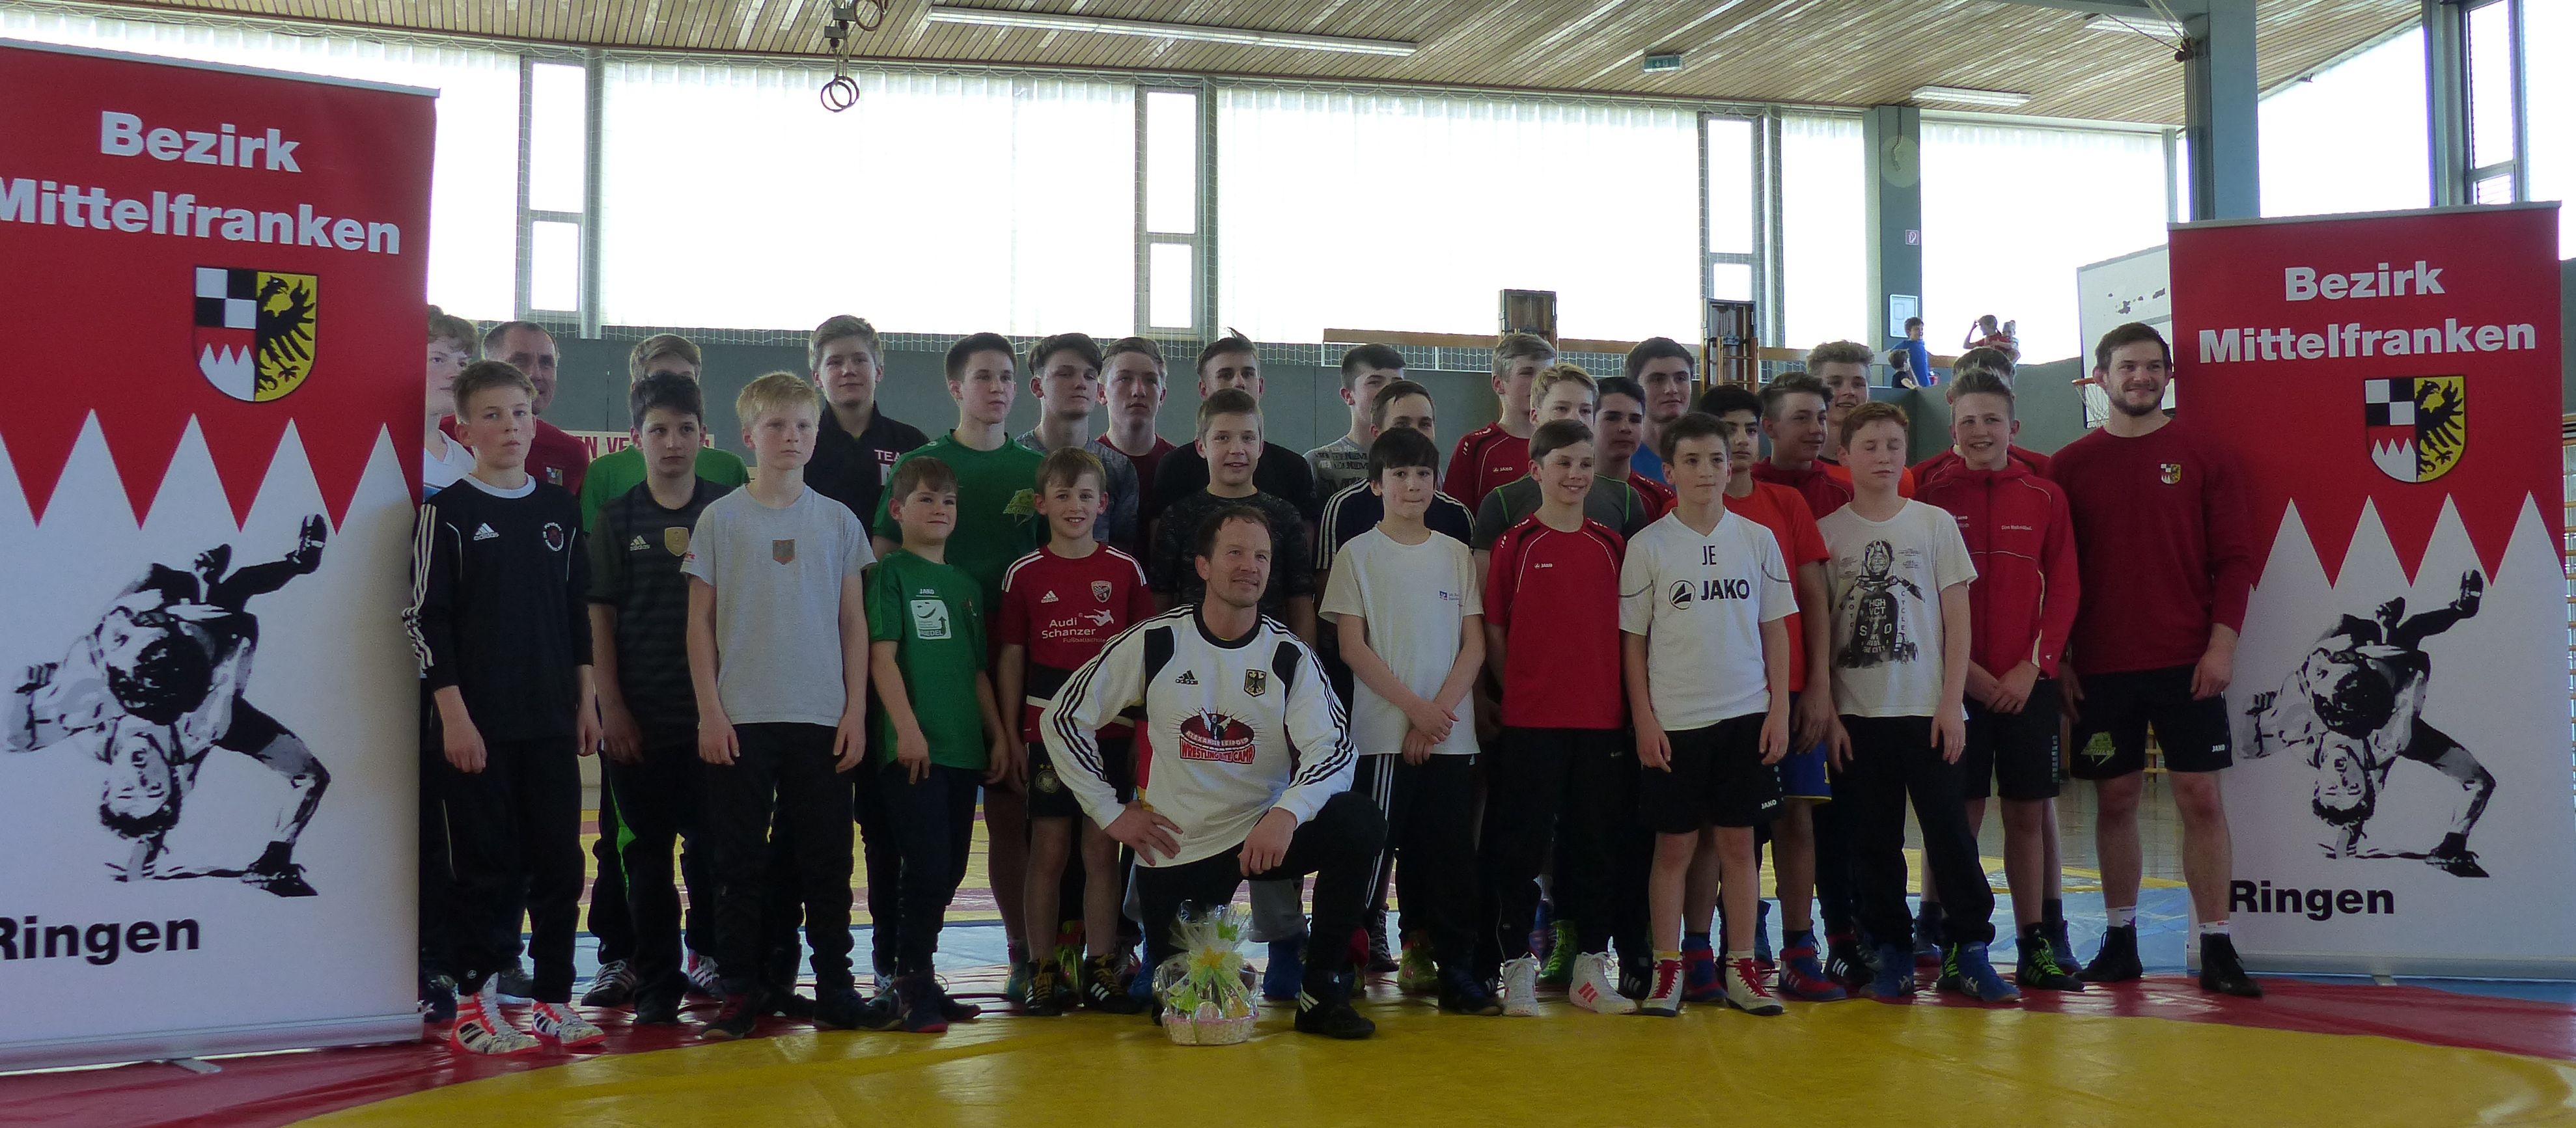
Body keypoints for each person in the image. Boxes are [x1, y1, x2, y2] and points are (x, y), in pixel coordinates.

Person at [1040, 506, 1387, 1039]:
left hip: (1260, 835)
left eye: (1261, 556)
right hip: (1179, 845)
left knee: (1358, 820)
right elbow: (1062, 717)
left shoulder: (1287, 655)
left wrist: (1287, 813)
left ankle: (1321, 990)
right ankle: (1167, 963)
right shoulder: (1156, 641)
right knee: (1186, 1010)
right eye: (1235, 553)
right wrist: (1110, 813)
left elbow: (1335, 749)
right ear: (1202, 565)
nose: (1250, 566)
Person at [2051, 323, 2262, 998]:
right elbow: (2055, 573)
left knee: (2199, 795)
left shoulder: (2205, 454)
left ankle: (2219, 944)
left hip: (2187, 662)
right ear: (2101, 377)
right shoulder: (2070, 466)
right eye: (2127, 367)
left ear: (2169, 375)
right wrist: (2063, 656)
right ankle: (2120, 940)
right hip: (2104, 666)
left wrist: (2222, 642)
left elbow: (2234, 559)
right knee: (2114, 798)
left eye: (2152, 367)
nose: (2140, 378)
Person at [404, 359, 606, 1054]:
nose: (511, 427)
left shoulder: (558, 509)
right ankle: (473, 1002)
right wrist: (454, 716)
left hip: (550, 719)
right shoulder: (446, 513)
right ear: (465, 429)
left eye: (520, 413)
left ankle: (551, 998)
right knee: (483, 867)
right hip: (476, 729)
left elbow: (576, 614)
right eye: (492, 415)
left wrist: (587, 700)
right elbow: (425, 621)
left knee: (558, 862)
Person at [685, 372, 883, 1040]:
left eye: (802, 425)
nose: (791, 436)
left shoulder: (836, 519)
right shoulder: (721, 518)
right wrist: (710, 710)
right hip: (741, 716)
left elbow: (854, 622)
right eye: (776, 426)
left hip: (822, 715)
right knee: (738, 862)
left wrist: (856, 710)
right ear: (749, 436)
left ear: (816, 435)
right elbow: (699, 623)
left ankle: (834, 986)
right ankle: (742, 989)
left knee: (827, 859)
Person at [1818, 401, 2019, 1004]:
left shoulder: (1932, 525)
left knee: (1949, 835)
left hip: (1928, 712)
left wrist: (1949, 703)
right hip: (1856, 717)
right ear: (1845, 453)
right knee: (1872, 842)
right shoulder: (1829, 534)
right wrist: (1828, 713)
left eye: (1892, 446)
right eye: (1870, 446)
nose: (1882, 457)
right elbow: (1821, 634)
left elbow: (1957, 623)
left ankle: (1969, 947)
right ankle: (1892, 951)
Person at [574, 334, 747, 1011]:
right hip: (640, 716)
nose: (671, 442)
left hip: (714, 715)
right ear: (634, 438)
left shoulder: (727, 515)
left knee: (712, 850)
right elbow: (601, 618)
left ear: (704, 436)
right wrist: (610, 705)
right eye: (658, 430)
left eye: (683, 430)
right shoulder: (617, 520)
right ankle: (655, 976)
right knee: (644, 855)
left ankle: (709, 956)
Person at [874, 333, 1047, 997]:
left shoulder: (1031, 469)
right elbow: (883, 561)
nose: (997, 387)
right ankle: (903, 970)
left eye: (1007, 376)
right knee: (913, 850)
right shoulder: (922, 465)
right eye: (983, 376)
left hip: (997, 669)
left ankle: (1021, 954)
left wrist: (1000, 730)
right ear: (955, 386)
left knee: (985, 831)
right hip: (919, 691)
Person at [1917, 369, 2086, 992]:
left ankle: (2035, 941)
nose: (1980, 431)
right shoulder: (1929, 498)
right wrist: (1965, 677)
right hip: (1953, 688)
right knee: (1957, 814)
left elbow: (2064, 587)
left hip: (2026, 685)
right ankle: (1961, 940)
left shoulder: (2044, 496)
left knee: (2025, 813)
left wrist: (2031, 666)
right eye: (1968, 421)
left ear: (2014, 428)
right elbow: (1922, 597)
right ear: (1952, 427)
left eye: (1992, 420)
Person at [1319, 426, 1498, 1017]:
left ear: (1436, 482)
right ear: (1376, 484)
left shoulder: (1453, 552)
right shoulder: (1358, 555)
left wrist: (1437, 715)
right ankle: (1339, 968)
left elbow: (1473, 646)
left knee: (1449, 858)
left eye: (1422, 474)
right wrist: (1414, 712)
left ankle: (1457, 972)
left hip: (1450, 735)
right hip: (1381, 737)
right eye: (1398, 474)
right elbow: (1352, 647)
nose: (1412, 484)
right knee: (1370, 857)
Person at [1620, 411, 1792, 1017]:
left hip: (1746, 715)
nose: (1704, 471)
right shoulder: (1648, 547)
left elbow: (1775, 631)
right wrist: (1644, 718)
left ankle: (1740, 966)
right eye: (1690, 461)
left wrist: (1780, 709)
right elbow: (1633, 642)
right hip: (1675, 720)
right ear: (1667, 472)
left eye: (1715, 460)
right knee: (1673, 850)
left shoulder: (1757, 539)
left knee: (1740, 847)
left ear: (1731, 466)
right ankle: (1668, 970)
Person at [1693, 383, 1847, 1003]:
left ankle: (1798, 947)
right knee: (1717, 831)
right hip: (1715, 699)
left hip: (1785, 692)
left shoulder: (1784, 504)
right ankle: (1721, 949)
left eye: (1747, 428)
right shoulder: (1682, 516)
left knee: (1795, 821)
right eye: (1724, 430)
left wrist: (1816, 689)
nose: (1737, 441)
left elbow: (1814, 598)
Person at [1478, 419, 1635, 1016]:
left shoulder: (1610, 544)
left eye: (1583, 464)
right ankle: (1516, 965)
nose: (1574, 475)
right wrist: (1516, 683)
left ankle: (1591, 969)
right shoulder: (1515, 545)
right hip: (1530, 721)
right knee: (1518, 846)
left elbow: (1628, 632)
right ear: (1535, 470)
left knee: (1594, 844)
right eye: (1562, 463)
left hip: (1600, 720)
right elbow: (1494, 627)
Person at [997, 448, 1157, 1016]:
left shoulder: (1124, 570)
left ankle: (1100, 963)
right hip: (1047, 734)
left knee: (1100, 848)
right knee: (1049, 847)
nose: (1074, 505)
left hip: (1110, 734)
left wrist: (1140, 734)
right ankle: (1043, 965)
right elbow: (1012, 656)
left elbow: (1142, 662)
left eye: (1085, 495)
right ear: (1040, 503)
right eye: (1062, 495)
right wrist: (1015, 733)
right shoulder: (1024, 573)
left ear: (1103, 504)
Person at [868, 456, 1015, 1033]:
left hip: (962, 749)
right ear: (898, 510)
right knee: (925, 865)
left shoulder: (964, 586)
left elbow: (978, 672)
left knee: (951, 868)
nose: (939, 510)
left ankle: (920, 978)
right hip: (913, 749)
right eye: (926, 500)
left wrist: (997, 734)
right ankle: (908, 981)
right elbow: (882, 657)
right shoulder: (889, 574)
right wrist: (905, 727)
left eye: (947, 501)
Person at [2245, 571, 2494, 874]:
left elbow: (2302, 677)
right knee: (2408, 634)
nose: (2340, 778)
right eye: (2351, 786)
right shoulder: (2390, 741)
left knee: (2380, 632)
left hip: (2360, 693)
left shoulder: (2301, 735)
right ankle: (2451, 843)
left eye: (2332, 788)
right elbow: (2414, 669)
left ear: (2316, 787)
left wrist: (2260, 709)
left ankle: (2421, 622)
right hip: (2390, 717)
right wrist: (2385, 639)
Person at [1150, 390, 1315, 637]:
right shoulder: (1178, 516)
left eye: (1248, 438)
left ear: (1260, 446)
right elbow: (1159, 600)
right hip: (1191, 655)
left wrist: (1304, 669)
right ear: (1201, 446)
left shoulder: (1285, 515)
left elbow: (1300, 603)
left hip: (1266, 657)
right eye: (1222, 438)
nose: (1237, 449)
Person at [1471, 366, 1657, 566]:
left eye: (1585, 410)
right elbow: (1486, 589)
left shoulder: (1625, 498)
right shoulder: (1502, 502)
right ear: (1535, 416)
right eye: (1562, 409)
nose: (1575, 418)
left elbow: (1638, 582)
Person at [1144, 335, 1320, 530]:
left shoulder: (1293, 469)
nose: (1239, 382)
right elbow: (1160, 552)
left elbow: (1304, 552)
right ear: (1203, 389)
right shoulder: (1176, 467)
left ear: (1260, 386)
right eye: (1226, 375)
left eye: (1248, 374)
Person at [575, 334, 751, 529]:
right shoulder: (605, 473)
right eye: (661, 378)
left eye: (686, 380)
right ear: (636, 390)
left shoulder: (729, 469)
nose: (674, 388)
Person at [1318, 379, 1475, 571]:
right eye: (1402, 424)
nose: (1414, 433)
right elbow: (1331, 591)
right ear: (1377, 433)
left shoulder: (1456, 515)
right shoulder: (1346, 507)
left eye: (1425, 424)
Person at [805, 315, 931, 534]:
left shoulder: (912, 444)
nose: (848, 370)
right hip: (819, 566)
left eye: (859, 360)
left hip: (892, 566)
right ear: (817, 378)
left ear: (879, 371)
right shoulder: (800, 443)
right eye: (835, 362)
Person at [1018, 332, 1143, 550]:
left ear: (1098, 389)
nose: (1080, 384)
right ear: (1038, 387)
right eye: (1065, 374)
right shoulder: (1016, 459)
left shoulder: (1118, 468)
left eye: (1090, 376)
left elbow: (1123, 551)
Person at [471, 322, 592, 495]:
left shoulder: (570, 453)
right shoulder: (444, 438)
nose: (535, 374)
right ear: (487, 368)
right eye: (520, 361)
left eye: (547, 363)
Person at [1444, 332, 1555, 514]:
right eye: (1527, 373)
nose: (1538, 384)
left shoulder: (1566, 445)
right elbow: (1456, 520)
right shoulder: (1475, 447)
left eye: (1546, 376)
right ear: (1498, 384)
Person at [1911, 348, 2053, 486]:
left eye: (1997, 389)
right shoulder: (1923, 477)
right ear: (1951, 398)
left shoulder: (2043, 470)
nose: (1982, 396)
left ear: (2011, 400)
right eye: (1969, 388)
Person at [1806, 341, 1916, 497]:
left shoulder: (1898, 479)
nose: (1849, 391)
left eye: (1858, 384)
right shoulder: (1800, 478)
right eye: (1835, 383)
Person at [1100, 337, 1175, 557]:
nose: (1139, 391)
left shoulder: (1182, 467)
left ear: (1162, 396)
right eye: (1125, 378)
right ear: (1101, 393)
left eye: (1151, 380)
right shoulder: (1085, 464)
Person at [1308, 344, 1406, 499]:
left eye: (1397, 383)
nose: (1389, 391)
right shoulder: (1318, 463)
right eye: (1375, 382)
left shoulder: (1418, 460)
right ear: (1348, 395)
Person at [1594, 376, 1676, 519]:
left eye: (1635, 420)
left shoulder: (1661, 498)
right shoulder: (1571, 490)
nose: (1626, 428)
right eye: (1612, 418)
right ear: (1588, 421)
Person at [1622, 337, 1697, 483]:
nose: (1672, 389)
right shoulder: (1621, 458)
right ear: (1634, 387)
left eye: (1681, 378)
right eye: (1657, 380)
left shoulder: (1710, 457)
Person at [423, 307, 478, 497]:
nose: (456, 373)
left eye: (462, 364)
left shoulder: (468, 462)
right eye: (438, 359)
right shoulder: (377, 450)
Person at [1903, 316, 1936, 389]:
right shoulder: (1906, 345)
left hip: (1926, 383)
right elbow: (1891, 353)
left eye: (1921, 329)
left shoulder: (1921, 345)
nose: (1920, 332)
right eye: (1917, 329)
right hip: (1915, 384)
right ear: (1909, 332)